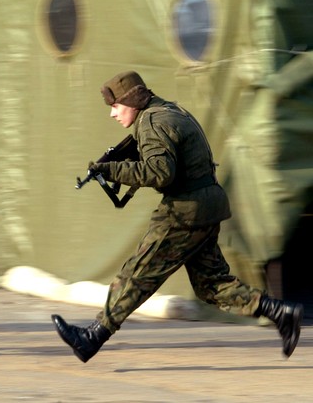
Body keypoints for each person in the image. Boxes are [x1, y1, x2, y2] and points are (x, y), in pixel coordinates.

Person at [51, 70, 304, 363]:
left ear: (131, 102)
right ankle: (279, 313)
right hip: (208, 204)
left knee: (136, 275)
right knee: (211, 284)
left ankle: (91, 338)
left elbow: (160, 172)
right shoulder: (168, 110)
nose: (112, 114)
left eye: (115, 106)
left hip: (184, 212)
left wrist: (111, 169)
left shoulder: (153, 123)